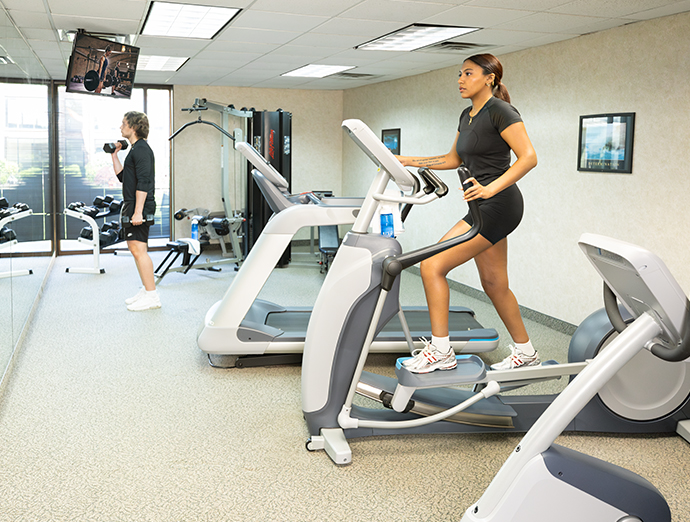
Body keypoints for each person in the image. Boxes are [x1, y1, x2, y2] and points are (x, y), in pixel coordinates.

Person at [396, 54, 538, 373]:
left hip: (498, 204)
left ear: (489, 78)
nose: (461, 79)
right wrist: (407, 160)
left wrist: (490, 189)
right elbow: (451, 159)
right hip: (482, 206)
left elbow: (528, 157)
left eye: (469, 73)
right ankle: (526, 352)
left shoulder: (501, 111)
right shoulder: (467, 114)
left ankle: (441, 350)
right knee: (494, 282)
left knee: (432, 266)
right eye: (460, 74)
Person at [110, 111, 161, 311]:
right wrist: (114, 155)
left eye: (123, 124)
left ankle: (152, 296)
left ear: (133, 127)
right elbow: (124, 177)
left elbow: (144, 182)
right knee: (135, 249)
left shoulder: (141, 150)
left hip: (140, 205)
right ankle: (147, 289)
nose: (120, 127)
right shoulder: (134, 149)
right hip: (132, 204)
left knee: (140, 250)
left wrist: (138, 211)